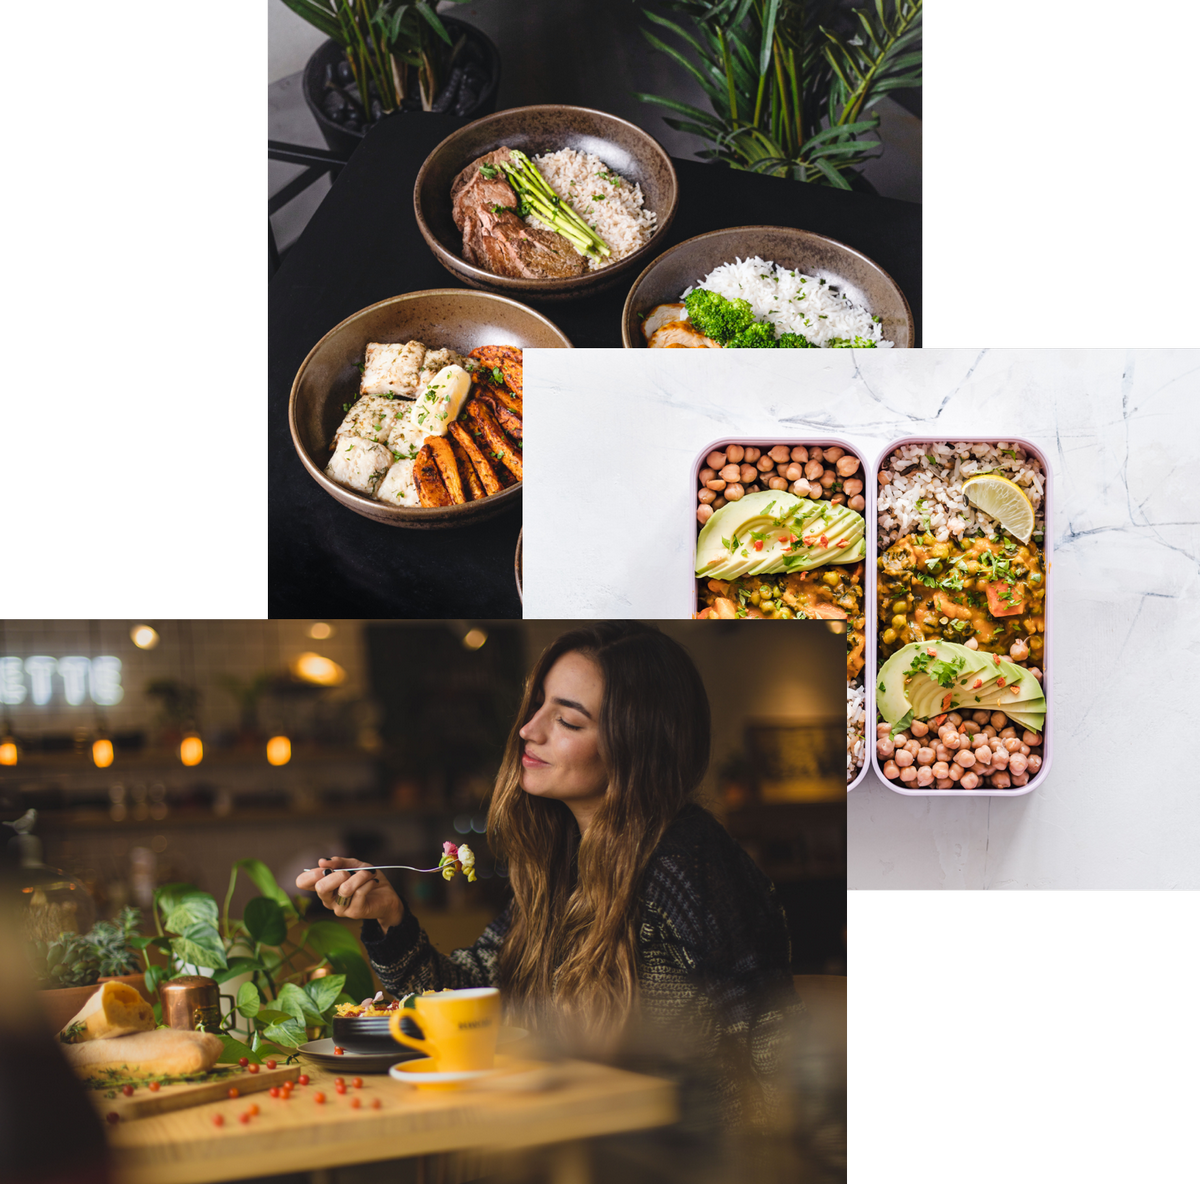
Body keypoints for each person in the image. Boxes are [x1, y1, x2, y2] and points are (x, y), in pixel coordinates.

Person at [296, 622, 799, 1123]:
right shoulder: (564, 862)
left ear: (637, 746)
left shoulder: (686, 862)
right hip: (576, 1141)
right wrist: (389, 917)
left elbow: (773, 1048)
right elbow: (473, 995)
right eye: (538, 705)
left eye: (569, 722)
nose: (528, 730)